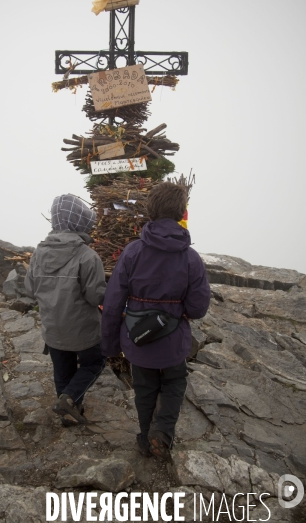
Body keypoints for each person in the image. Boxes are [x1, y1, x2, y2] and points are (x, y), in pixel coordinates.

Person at [101, 183, 210, 460]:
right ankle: (161, 433)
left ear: (150, 211)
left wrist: (111, 345)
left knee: (144, 387)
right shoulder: (191, 258)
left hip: (138, 338)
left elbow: (113, 302)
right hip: (173, 341)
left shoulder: (133, 252)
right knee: (174, 383)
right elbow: (198, 308)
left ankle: (144, 437)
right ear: (181, 212)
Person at [24, 193, 106, 425]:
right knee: (95, 362)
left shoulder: (38, 254)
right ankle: (70, 399)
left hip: (53, 330)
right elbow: (95, 296)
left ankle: (69, 415)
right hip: (83, 331)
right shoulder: (88, 257)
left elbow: (30, 290)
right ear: (79, 221)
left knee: (62, 371)